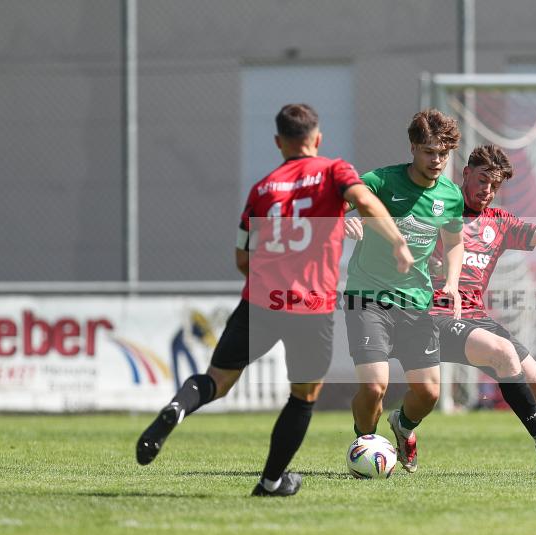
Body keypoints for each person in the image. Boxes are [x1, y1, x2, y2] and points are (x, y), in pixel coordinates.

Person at [135, 103, 414, 497]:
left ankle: (178, 408)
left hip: (260, 303)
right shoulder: (334, 170)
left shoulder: (262, 189)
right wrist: (398, 242)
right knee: (303, 396)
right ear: (316, 139)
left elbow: (240, 258)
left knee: (216, 380)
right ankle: (271, 482)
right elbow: (365, 203)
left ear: (278, 143)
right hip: (310, 308)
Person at [347, 144, 536, 474]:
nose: (488, 190)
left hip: (476, 318)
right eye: (483, 180)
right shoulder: (439, 204)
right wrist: (358, 225)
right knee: (500, 353)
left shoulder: (499, 223)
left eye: (495, 185)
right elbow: (391, 217)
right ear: (465, 173)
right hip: (435, 314)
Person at [342, 109, 465, 473]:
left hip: (416, 301)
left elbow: (455, 242)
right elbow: (339, 201)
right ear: (413, 147)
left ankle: (403, 426)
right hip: (368, 297)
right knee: (375, 387)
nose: (437, 161)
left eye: (443, 153)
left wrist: (453, 284)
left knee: (429, 392)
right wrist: (344, 220)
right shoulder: (381, 181)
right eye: (429, 152)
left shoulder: (451, 195)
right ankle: (364, 443)